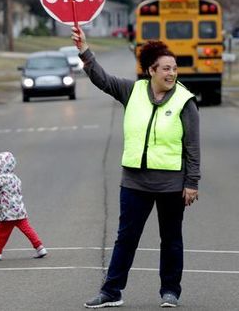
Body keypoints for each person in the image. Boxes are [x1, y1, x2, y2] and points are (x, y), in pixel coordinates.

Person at [71, 28, 200, 309]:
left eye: (175, 68)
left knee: (171, 239)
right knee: (126, 238)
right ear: (151, 70)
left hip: (171, 185)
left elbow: (192, 147)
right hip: (134, 183)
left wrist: (192, 182)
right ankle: (111, 291)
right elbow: (101, 79)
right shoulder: (133, 91)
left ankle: (170, 291)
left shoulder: (185, 101)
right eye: (166, 68)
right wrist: (84, 50)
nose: (172, 73)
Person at [0, 151, 47, 260]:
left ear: (0, 167)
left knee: (1, 232)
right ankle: (39, 247)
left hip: (7, 213)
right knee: (27, 229)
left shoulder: (2, 179)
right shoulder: (16, 178)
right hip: (19, 211)